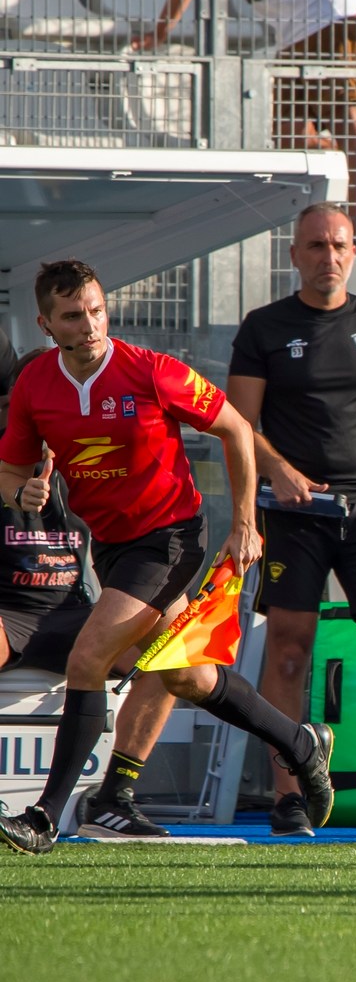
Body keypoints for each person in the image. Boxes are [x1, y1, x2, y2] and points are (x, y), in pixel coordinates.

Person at [0, 260, 334, 856]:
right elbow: (12, 473)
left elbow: (234, 428)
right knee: (184, 674)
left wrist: (245, 526)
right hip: (114, 546)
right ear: (47, 324)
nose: (90, 323)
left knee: (88, 657)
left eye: (97, 309)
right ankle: (301, 742)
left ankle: (46, 816)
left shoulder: (149, 371)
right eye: (73, 315)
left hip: (173, 537)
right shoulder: (34, 386)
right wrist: (21, 492)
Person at [227, 202, 356, 837]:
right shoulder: (265, 327)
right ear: (295, 255)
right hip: (294, 513)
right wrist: (277, 471)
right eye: (316, 246)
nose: (329, 256)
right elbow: (236, 426)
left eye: (340, 245)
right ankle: (289, 795)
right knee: (289, 653)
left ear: (354, 250)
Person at [0, 348, 181, 839]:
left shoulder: (97, 461)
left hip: (76, 611)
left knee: (175, 657)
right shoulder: (8, 464)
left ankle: (113, 795)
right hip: (8, 613)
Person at [131, 0, 356, 241]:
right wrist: (161, 30)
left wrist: (161, 31)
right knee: (290, 135)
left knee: (342, 115)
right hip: (294, 25)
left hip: (323, 9)